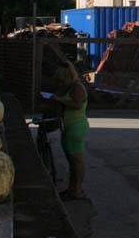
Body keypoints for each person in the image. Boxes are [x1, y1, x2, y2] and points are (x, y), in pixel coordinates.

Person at [53, 62, 89, 200]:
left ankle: (77, 190)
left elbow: (77, 105)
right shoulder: (70, 87)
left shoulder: (77, 88)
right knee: (72, 161)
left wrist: (59, 100)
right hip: (70, 126)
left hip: (76, 127)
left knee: (77, 161)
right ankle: (72, 188)